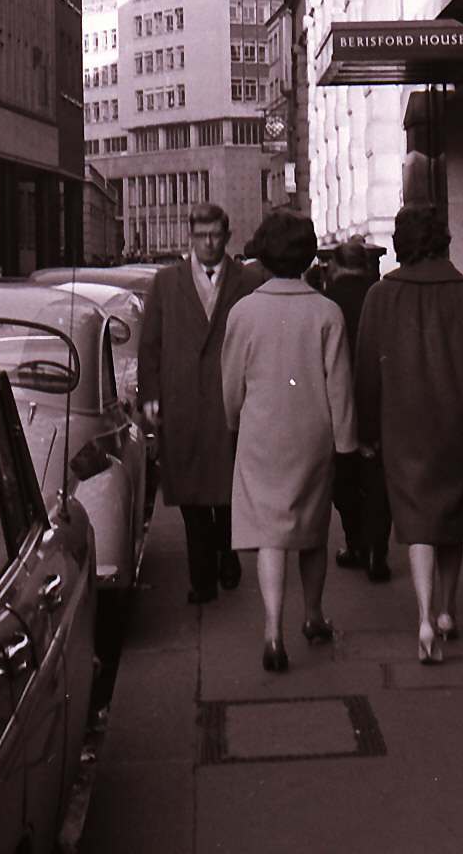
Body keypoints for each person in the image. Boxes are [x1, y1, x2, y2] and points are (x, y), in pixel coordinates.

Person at [354, 204, 463, 665]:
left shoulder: (380, 296)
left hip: (402, 427)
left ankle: (421, 615)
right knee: (452, 521)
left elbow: (365, 372)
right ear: (443, 241)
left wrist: (366, 430)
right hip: (454, 426)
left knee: (416, 522)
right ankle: (447, 610)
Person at [221, 209, 356, 673]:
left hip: (261, 433)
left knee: (269, 535)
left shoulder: (243, 312)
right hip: (312, 434)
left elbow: (231, 384)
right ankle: (313, 616)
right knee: (312, 531)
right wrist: (346, 441)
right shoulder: (327, 312)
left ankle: (272, 631)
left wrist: (234, 420)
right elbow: (340, 384)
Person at [138, 202, 261, 606]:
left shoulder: (246, 280)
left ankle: (228, 554)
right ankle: (201, 578)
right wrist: (151, 394)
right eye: (201, 236)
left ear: (227, 236)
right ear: (190, 238)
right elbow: (150, 346)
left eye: (215, 236)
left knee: (226, 490)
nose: (209, 244)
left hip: (229, 399)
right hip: (183, 401)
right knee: (191, 496)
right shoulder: (166, 283)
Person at [322, 238, 392, 582]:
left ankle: (356, 542)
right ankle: (379, 549)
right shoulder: (381, 296)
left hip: (340, 399)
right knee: (378, 477)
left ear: (335, 265)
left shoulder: (326, 301)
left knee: (345, 479)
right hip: (380, 397)